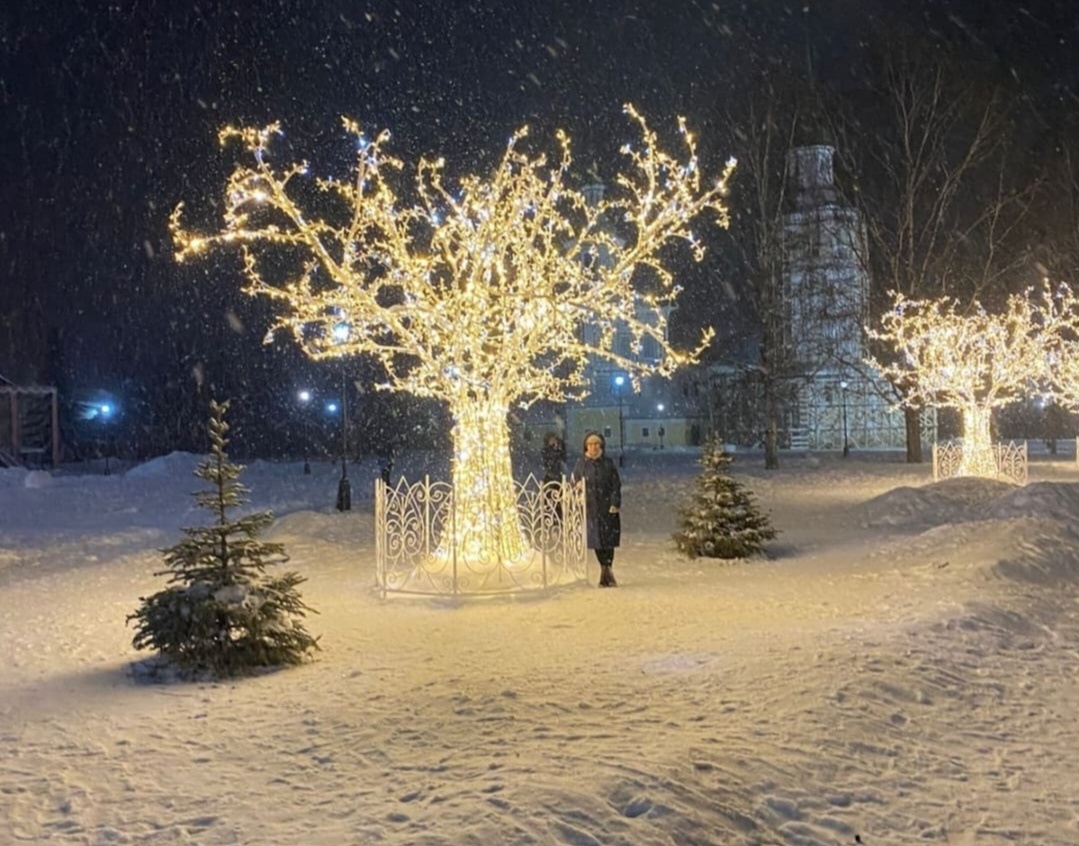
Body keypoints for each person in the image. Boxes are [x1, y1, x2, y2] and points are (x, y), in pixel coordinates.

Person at [571, 431, 622, 587]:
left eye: (596, 444)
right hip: (590, 510)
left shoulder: (607, 463)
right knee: (597, 541)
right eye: (590, 444)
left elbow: (615, 484)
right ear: (586, 446)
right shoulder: (581, 464)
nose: (593, 447)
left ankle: (606, 569)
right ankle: (605, 569)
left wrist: (615, 502)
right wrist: (578, 487)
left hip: (607, 509)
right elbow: (574, 481)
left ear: (601, 446)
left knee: (608, 541)